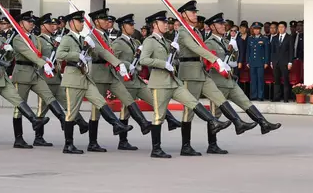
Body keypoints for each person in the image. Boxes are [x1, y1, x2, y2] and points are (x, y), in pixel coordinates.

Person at [139, 10, 231, 158]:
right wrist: (163, 64)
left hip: (173, 81)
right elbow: (144, 60)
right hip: (160, 83)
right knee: (159, 116)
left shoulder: (167, 41)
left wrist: (175, 54)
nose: (166, 25)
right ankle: (156, 149)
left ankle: (213, 122)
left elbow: (175, 61)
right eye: (163, 23)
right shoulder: (149, 41)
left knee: (192, 102)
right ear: (154, 25)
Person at [176, 0, 256, 156]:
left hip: (201, 72)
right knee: (189, 110)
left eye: (195, 12)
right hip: (189, 73)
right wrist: (214, 59)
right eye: (192, 12)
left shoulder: (196, 32)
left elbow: (201, 49)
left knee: (219, 97)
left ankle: (237, 123)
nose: (195, 14)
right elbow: (196, 49)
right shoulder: (183, 33)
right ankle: (186, 146)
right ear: (183, 15)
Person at [0, 12, 48, 150]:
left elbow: (8, 60)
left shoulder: (0, 40)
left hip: (2, 77)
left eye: (0, 23)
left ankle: (34, 120)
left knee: (18, 99)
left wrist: (9, 52)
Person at [56, 10, 133, 155]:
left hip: (85, 77)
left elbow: (95, 54)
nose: (82, 24)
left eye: (82, 21)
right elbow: (60, 55)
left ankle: (116, 125)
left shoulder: (81, 38)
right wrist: (76, 55)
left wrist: (90, 48)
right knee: (71, 113)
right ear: (72, 23)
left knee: (100, 102)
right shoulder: (67, 38)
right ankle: (68, 144)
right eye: (79, 21)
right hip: (73, 80)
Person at [205, 13, 281, 154]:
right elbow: (211, 63)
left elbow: (232, 60)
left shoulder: (225, 41)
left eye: (223, 24)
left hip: (229, 81)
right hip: (218, 84)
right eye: (220, 24)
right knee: (215, 116)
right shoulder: (209, 43)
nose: (223, 26)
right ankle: (212, 144)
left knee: (246, 102)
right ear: (212, 27)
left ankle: (264, 123)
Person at [111, 13, 181, 151]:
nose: (133, 27)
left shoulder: (136, 42)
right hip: (126, 81)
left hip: (137, 80)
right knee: (125, 111)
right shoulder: (117, 43)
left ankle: (170, 120)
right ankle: (123, 141)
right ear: (123, 27)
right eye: (130, 24)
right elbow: (113, 58)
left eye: (133, 24)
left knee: (155, 100)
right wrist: (126, 64)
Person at [86, 8, 152, 152]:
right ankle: (92, 142)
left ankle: (143, 123)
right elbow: (102, 53)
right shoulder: (92, 37)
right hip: (99, 75)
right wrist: (118, 63)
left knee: (127, 97)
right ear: (96, 21)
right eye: (104, 19)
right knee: (96, 110)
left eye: (108, 20)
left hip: (111, 74)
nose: (107, 22)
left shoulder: (105, 36)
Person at [9, 11, 66, 149]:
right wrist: (43, 64)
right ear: (21, 23)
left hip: (35, 73)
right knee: (19, 107)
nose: (31, 24)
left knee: (48, 95)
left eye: (33, 22)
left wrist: (46, 60)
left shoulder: (34, 38)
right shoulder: (17, 39)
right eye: (29, 22)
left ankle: (63, 119)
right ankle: (19, 138)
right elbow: (30, 54)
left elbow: (39, 54)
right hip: (22, 74)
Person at [35, 13, 88, 146]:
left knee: (67, 103)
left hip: (56, 78)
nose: (53, 27)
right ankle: (38, 137)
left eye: (54, 24)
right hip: (45, 78)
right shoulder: (38, 40)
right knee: (42, 108)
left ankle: (81, 123)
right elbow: (35, 55)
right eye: (49, 24)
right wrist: (44, 61)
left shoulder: (55, 39)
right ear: (42, 26)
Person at [271, 21, 293, 103]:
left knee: (285, 80)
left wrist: (290, 62)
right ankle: (276, 97)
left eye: (282, 27)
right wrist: (271, 61)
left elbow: (291, 50)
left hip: (285, 62)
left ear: (285, 28)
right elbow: (272, 51)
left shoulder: (289, 37)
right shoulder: (274, 38)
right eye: (279, 27)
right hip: (276, 62)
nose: (280, 29)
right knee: (276, 80)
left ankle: (286, 98)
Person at [247, 22, 270, 101]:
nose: (256, 31)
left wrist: (266, 62)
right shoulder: (250, 38)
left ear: (260, 30)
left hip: (261, 62)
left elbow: (267, 51)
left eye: (258, 29)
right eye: (255, 29)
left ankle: (260, 96)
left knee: (260, 79)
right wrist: (247, 61)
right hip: (252, 62)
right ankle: (253, 95)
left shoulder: (264, 39)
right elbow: (248, 51)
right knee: (253, 79)